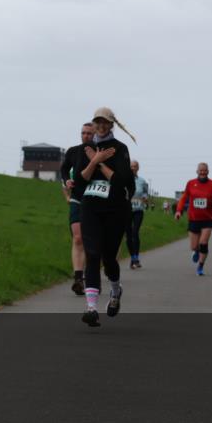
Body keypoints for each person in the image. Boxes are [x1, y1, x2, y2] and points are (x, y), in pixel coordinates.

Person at [78, 107, 136, 328]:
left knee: (108, 258)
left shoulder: (120, 149)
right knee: (92, 254)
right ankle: (91, 308)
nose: (101, 126)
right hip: (91, 207)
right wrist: (92, 160)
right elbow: (81, 179)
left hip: (115, 209)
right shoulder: (86, 148)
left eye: (105, 123)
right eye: (97, 122)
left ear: (112, 125)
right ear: (93, 124)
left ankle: (115, 290)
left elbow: (121, 181)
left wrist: (100, 161)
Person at [60, 122, 95, 295]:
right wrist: (66, 180)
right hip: (77, 198)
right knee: (78, 238)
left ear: (94, 134)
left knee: (92, 242)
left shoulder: (99, 151)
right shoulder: (73, 151)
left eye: (89, 133)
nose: (86, 136)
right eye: (83, 133)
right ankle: (78, 278)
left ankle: (91, 273)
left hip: (95, 200)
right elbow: (64, 169)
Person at [126, 160, 149, 269]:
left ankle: (136, 257)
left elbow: (145, 192)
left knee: (135, 232)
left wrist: (145, 197)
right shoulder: (124, 179)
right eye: (131, 166)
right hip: (126, 210)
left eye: (135, 166)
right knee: (129, 235)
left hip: (138, 210)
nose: (133, 168)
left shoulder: (142, 181)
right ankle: (132, 257)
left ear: (138, 168)